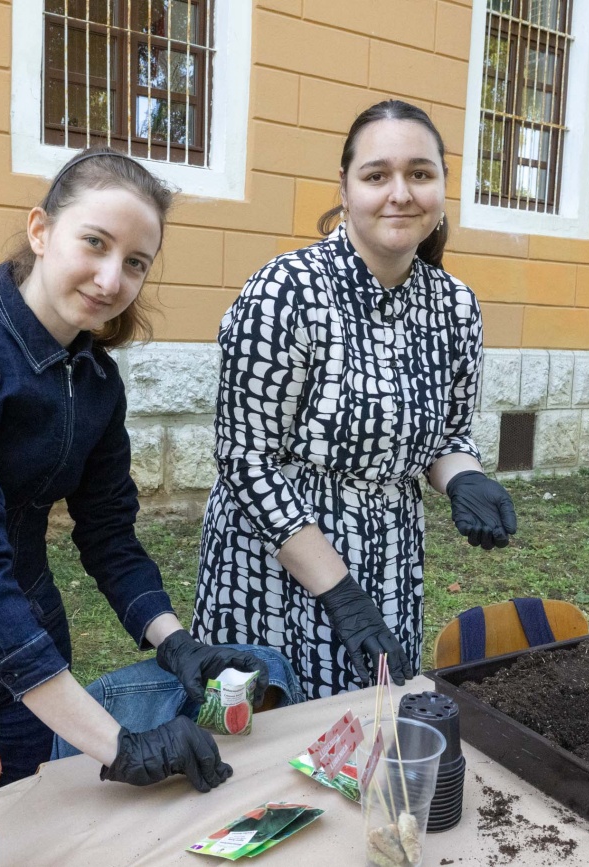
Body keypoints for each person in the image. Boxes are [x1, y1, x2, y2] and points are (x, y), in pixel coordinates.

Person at [0, 148, 280, 789]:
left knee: (24, 836)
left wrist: (176, 642)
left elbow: (109, 535)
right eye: (94, 244)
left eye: (135, 263)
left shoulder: (95, 379)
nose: (110, 279)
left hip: (32, 628)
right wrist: (118, 746)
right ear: (40, 231)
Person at [191, 100, 518, 699]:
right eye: (377, 175)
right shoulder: (286, 291)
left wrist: (464, 477)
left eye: (420, 174)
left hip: (391, 554)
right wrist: (340, 595)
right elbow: (245, 462)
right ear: (344, 189)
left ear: (443, 188)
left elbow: (447, 435)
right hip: (277, 563)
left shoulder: (456, 306)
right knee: (269, 748)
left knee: (373, 732)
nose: (401, 193)